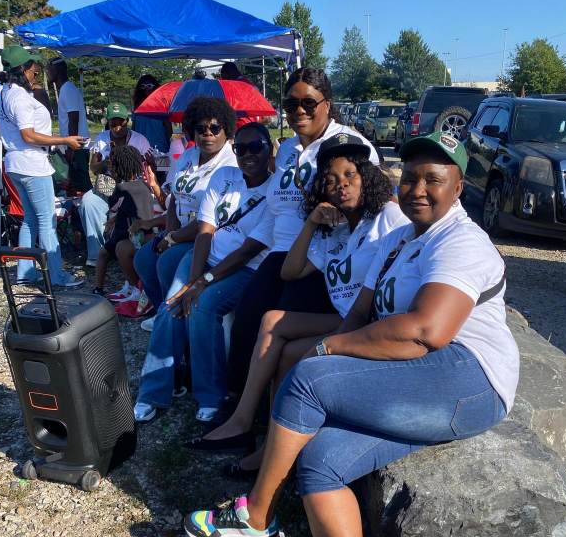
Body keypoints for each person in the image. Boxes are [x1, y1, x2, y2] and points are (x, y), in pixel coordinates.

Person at [184, 131, 519, 537]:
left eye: (434, 179)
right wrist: (333, 344)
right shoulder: (401, 241)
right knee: (320, 459)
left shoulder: (462, 241)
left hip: (469, 377)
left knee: (310, 377)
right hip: (419, 371)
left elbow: (427, 330)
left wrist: (327, 352)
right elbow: (361, 313)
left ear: (459, 186)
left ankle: (257, 519)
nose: (418, 189)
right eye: (411, 177)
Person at [196, 134, 407, 473]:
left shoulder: (388, 217)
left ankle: (270, 449)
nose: (341, 185)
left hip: (371, 323)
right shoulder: (335, 231)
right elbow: (290, 271)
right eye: (331, 179)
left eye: (350, 175)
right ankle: (245, 423)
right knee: (271, 320)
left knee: (290, 353)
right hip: (344, 318)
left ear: (366, 177)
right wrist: (311, 223)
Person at [226, 67, 379, 398]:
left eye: (308, 103)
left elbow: (374, 202)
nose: (299, 111)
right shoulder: (286, 150)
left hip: (322, 258)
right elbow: (275, 212)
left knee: (280, 323)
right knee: (247, 318)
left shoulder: (350, 144)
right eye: (291, 104)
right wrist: (247, 248)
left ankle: (279, 409)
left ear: (327, 104)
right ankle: (239, 403)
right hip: (282, 252)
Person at [133, 122, 274, 423]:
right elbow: (205, 231)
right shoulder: (225, 177)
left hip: (245, 268)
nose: (248, 155)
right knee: (170, 307)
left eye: (256, 147)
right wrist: (193, 280)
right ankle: (153, 391)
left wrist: (202, 283)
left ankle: (210, 395)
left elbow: (248, 251)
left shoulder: (275, 192)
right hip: (205, 258)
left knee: (202, 306)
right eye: (241, 149)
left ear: (270, 150)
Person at [133, 97, 238, 327]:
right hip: (179, 232)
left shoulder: (231, 164)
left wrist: (173, 239)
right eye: (200, 128)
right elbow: (174, 197)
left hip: (208, 237)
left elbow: (211, 219)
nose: (207, 133)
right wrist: (169, 233)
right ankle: (163, 311)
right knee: (143, 258)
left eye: (215, 128)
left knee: (166, 261)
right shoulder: (188, 156)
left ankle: (175, 321)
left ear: (226, 130)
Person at [0, 45, 84, 287]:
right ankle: (57, 275)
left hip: (16, 163)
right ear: (23, 69)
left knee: (30, 219)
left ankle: (25, 273)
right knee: (47, 220)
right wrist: (65, 140)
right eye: (34, 70)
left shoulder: (5, 93)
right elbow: (29, 135)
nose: (36, 73)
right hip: (32, 163)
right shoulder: (20, 98)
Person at [78, 102, 150, 267]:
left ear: (127, 121)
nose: (117, 127)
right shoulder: (102, 139)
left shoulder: (139, 140)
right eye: (113, 123)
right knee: (88, 201)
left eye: (121, 123)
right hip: (108, 182)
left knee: (133, 206)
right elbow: (94, 168)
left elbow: (149, 166)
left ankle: (128, 248)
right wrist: (106, 163)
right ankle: (98, 252)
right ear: (107, 122)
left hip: (133, 184)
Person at [92, 145, 154, 299]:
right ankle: (106, 288)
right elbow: (125, 209)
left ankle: (134, 288)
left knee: (115, 251)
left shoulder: (125, 189)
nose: (110, 169)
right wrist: (114, 219)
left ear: (118, 168)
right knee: (105, 253)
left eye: (112, 166)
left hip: (134, 236)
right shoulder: (138, 186)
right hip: (129, 233)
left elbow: (119, 208)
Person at [46, 58, 91, 192]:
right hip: (74, 145)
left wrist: (71, 147)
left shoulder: (68, 89)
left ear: (57, 70)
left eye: (49, 69)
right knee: (75, 186)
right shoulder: (65, 89)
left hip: (77, 146)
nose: (47, 73)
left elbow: (74, 118)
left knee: (82, 186)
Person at [131, 74, 171, 153]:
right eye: (143, 86)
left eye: (149, 85)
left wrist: (171, 145)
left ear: (155, 87)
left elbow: (168, 128)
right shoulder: (137, 106)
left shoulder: (162, 105)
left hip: (160, 150)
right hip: (140, 149)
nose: (146, 88)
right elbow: (134, 129)